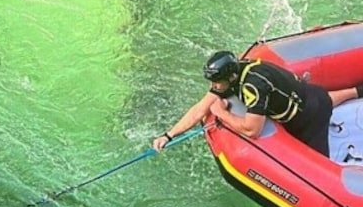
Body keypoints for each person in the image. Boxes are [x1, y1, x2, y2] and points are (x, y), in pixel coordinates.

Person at [152, 50, 363, 157]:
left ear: (231, 77)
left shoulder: (253, 86)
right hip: (310, 95)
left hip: (310, 118)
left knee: (320, 168)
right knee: (330, 98)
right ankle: (357, 91)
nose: (214, 87)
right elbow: (200, 108)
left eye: (217, 82)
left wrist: (221, 114)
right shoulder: (236, 72)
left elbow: (252, 130)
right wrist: (168, 135)